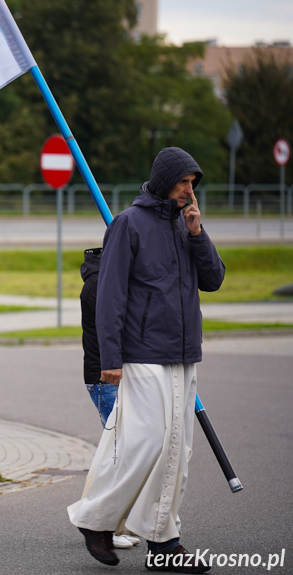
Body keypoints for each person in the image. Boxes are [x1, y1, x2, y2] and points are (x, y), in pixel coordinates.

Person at [68, 148, 226, 573]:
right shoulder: (128, 223)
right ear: (163, 180)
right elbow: (111, 295)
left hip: (183, 354)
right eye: (182, 182)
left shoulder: (184, 224)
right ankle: (95, 520)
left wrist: (198, 234)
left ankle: (164, 543)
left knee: (179, 451)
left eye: (193, 184)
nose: (188, 190)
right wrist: (112, 358)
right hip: (141, 356)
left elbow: (213, 279)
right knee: (147, 443)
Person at [79, 245, 141, 551]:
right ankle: (100, 523)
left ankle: (99, 520)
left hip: (111, 376)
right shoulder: (98, 286)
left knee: (116, 451)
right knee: (117, 453)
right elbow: (117, 326)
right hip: (106, 378)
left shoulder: (103, 282)